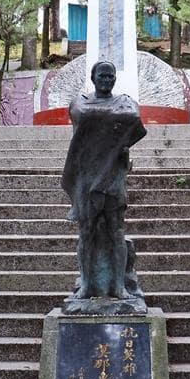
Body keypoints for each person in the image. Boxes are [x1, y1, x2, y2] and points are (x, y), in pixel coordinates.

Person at [61, 62, 147, 307]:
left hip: (113, 174)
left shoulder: (126, 101)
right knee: (86, 231)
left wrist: (105, 120)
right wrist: (111, 118)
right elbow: (83, 114)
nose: (107, 80)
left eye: (111, 76)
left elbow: (133, 117)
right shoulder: (80, 101)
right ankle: (86, 284)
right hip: (87, 175)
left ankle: (119, 286)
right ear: (93, 77)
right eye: (102, 76)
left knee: (116, 230)